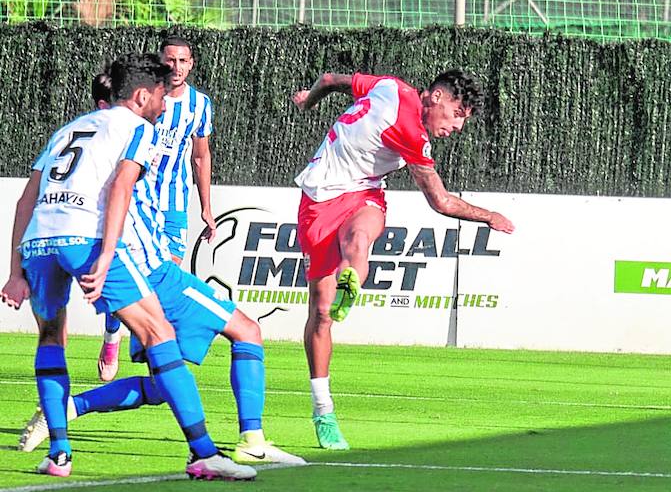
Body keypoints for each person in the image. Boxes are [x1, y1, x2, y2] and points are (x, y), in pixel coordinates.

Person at [16, 74, 304, 469]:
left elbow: (27, 198)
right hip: (144, 264)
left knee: (149, 375)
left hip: (42, 241)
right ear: (138, 96)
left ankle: (62, 432)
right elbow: (121, 190)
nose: (166, 106)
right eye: (160, 97)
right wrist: (107, 254)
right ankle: (227, 448)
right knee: (235, 331)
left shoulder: (70, 130)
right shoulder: (134, 131)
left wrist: (16, 270)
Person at [293, 68, 516, 451]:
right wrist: (489, 216)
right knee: (321, 314)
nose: (458, 126)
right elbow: (441, 202)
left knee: (360, 237)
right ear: (436, 97)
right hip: (317, 201)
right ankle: (322, 407)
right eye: (458, 113)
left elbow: (330, 80)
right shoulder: (408, 126)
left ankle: (351, 281)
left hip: (363, 194)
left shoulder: (389, 86)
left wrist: (307, 99)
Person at [97, 34, 216, 383]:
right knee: (134, 271)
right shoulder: (147, 97)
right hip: (138, 198)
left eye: (183, 61)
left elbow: (200, 155)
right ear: (161, 62)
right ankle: (112, 335)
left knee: (164, 273)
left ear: (191, 64)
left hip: (175, 201)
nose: (176, 67)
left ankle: (153, 348)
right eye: (170, 60)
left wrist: (206, 207)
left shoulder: (200, 105)